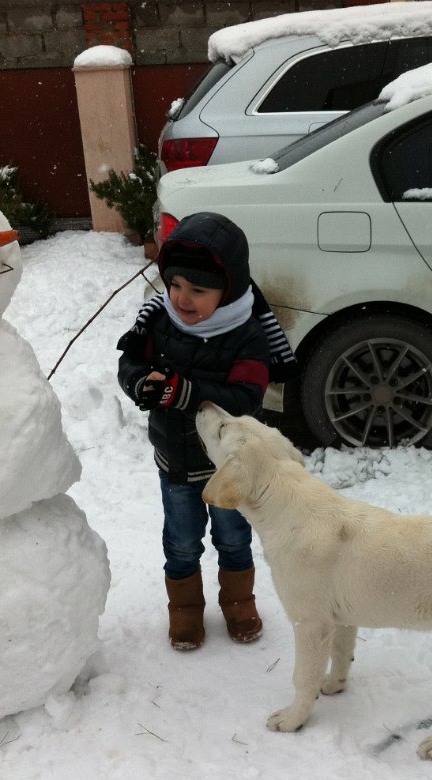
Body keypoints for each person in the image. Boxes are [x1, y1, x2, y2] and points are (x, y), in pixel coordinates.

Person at [117, 211, 297, 651]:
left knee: (233, 538)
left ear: (228, 290)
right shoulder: (158, 319)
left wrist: (184, 393)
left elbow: (246, 398)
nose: (181, 299)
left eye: (198, 290)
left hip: (231, 469)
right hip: (175, 463)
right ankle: (184, 609)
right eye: (175, 285)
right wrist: (141, 383)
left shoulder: (246, 334)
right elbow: (130, 364)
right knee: (180, 543)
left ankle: (238, 601)